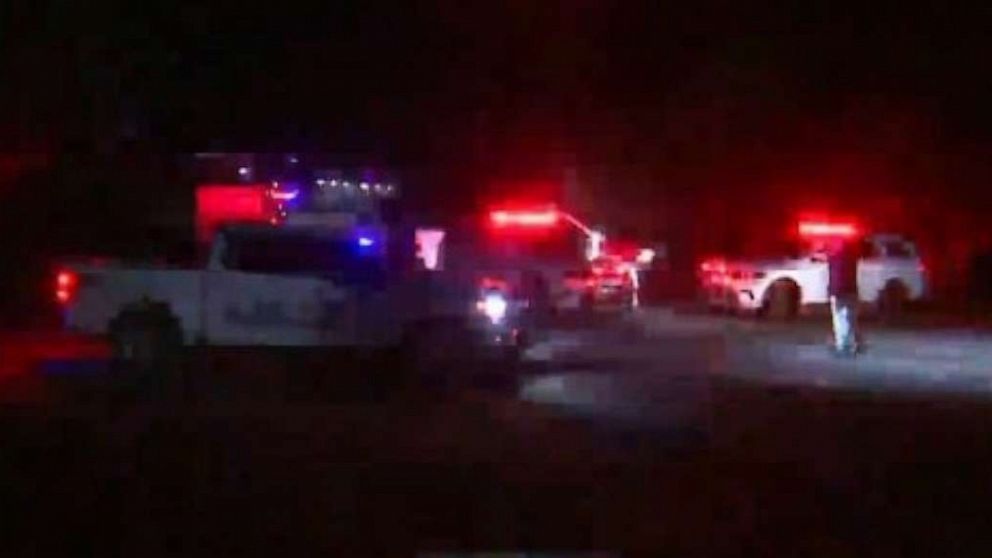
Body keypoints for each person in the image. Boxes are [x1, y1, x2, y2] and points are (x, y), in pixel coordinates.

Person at [827, 238, 861, 355]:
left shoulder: (834, 258)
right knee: (851, 318)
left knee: (839, 319)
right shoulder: (852, 259)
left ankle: (843, 344)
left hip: (838, 291)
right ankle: (852, 343)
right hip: (851, 290)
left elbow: (834, 276)